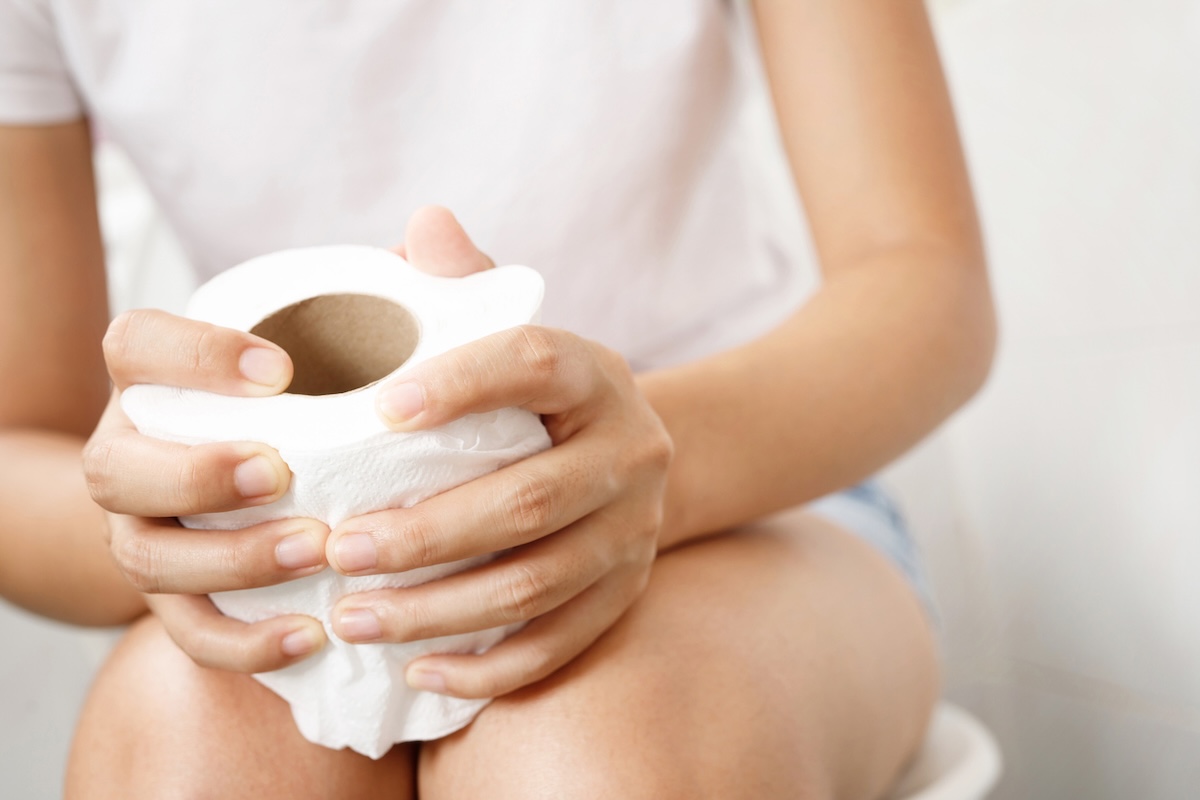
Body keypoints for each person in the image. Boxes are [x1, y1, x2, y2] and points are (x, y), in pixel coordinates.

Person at [0, 1, 995, 797]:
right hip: (311, 548)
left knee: (596, 753)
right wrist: (178, 511)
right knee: (186, 749)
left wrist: (645, 461)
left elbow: (924, 287)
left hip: (741, 496)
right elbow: (19, 445)